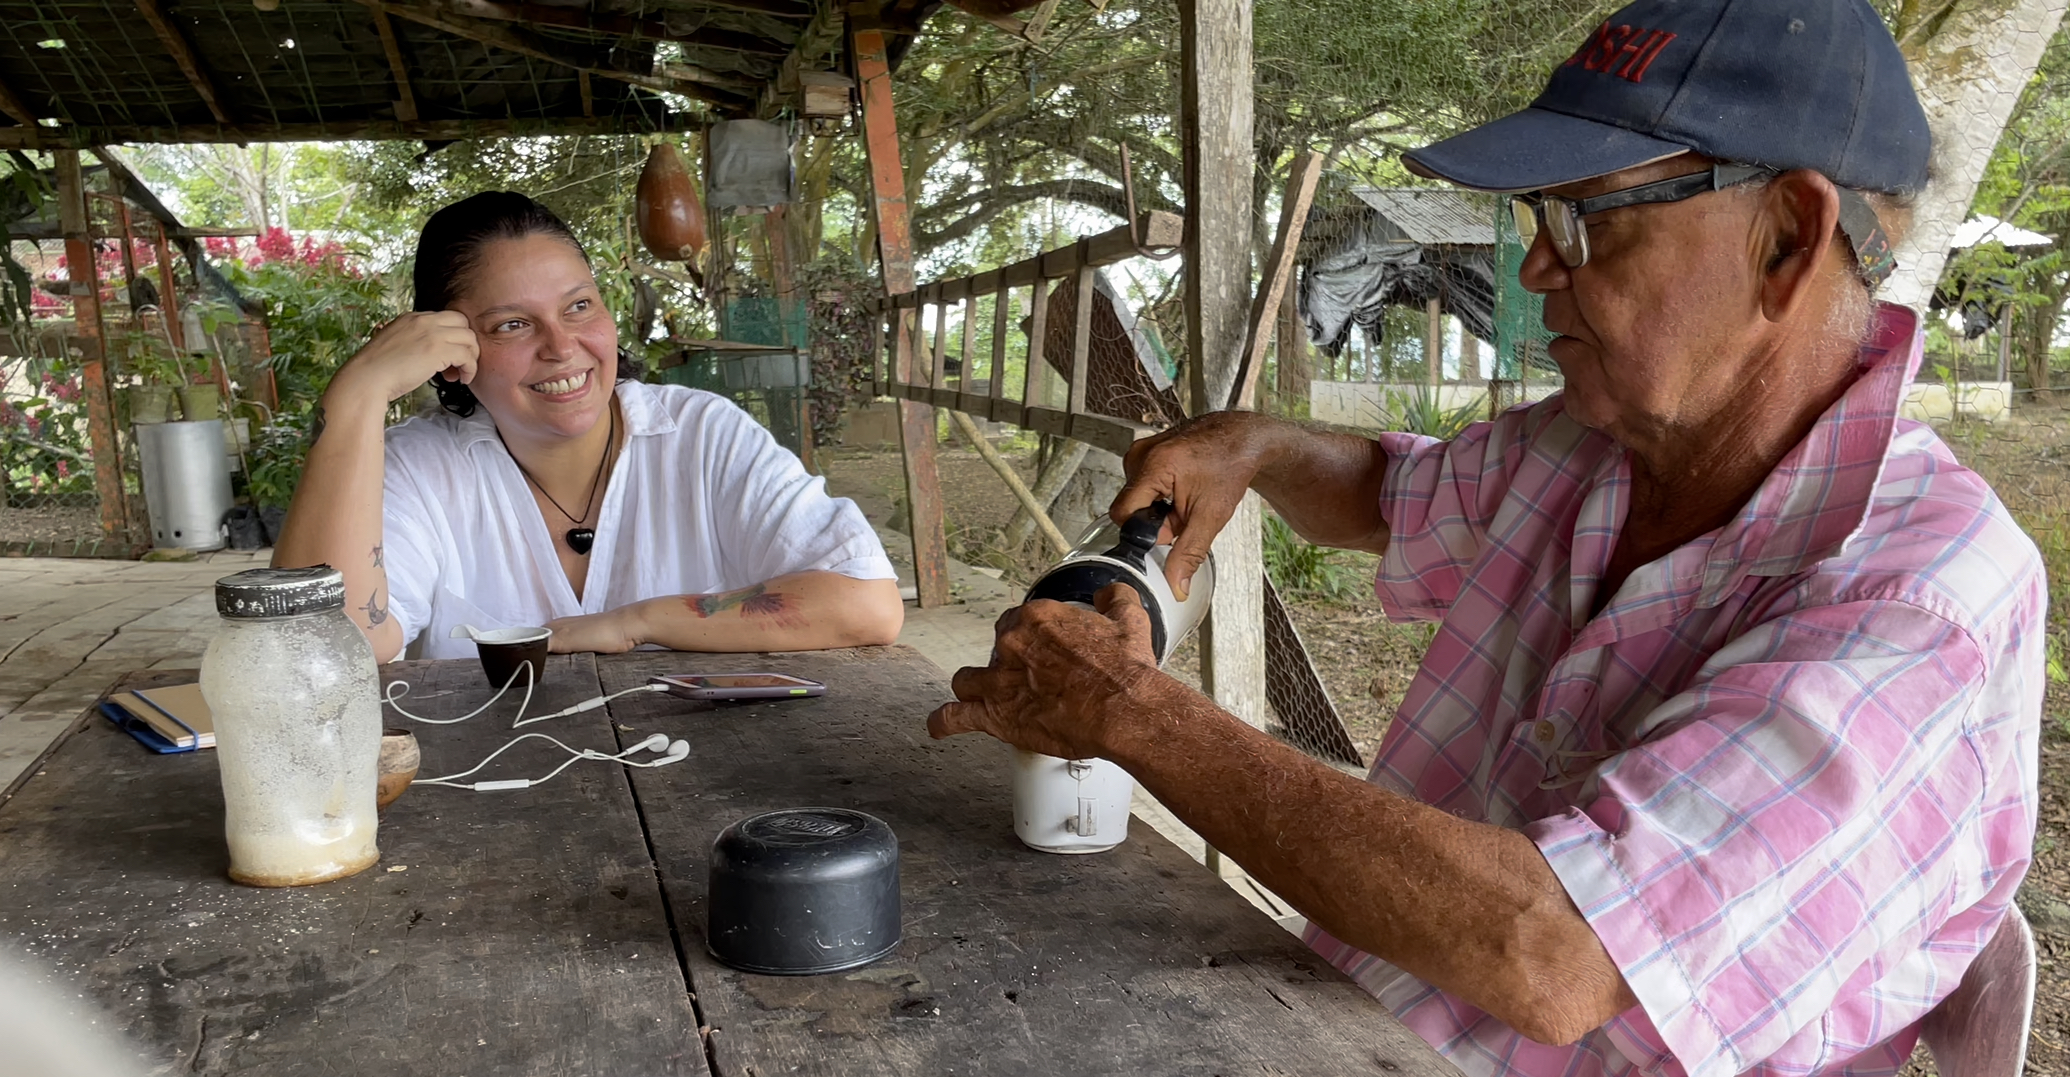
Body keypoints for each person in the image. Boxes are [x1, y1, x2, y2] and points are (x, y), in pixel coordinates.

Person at [928, 2, 2044, 1076]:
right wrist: (1260, 450)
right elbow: (1389, 497)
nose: (1534, 269)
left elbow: (1556, 955)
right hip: (1357, 1020)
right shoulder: (1595, 443)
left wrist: (1126, 709)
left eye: (1583, 219)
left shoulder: (1922, 598)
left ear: (1787, 238)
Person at [274, 192, 902, 662]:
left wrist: (635, 621)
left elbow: (864, 602)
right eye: (512, 325)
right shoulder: (419, 468)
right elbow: (319, 647)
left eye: (579, 307)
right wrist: (358, 396)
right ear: (451, 351)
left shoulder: (699, 435)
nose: (562, 346)